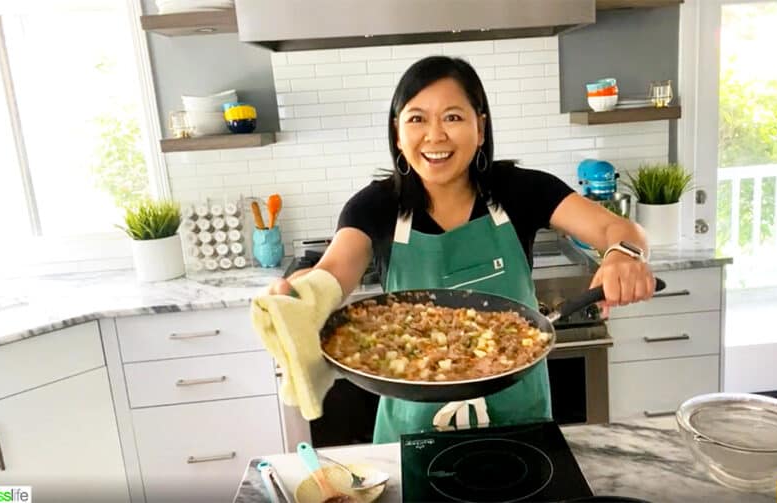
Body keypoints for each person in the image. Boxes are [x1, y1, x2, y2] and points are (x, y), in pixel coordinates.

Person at [269, 55, 654, 443]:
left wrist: (624, 253)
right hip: (411, 432)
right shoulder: (374, 206)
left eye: (452, 117)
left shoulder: (522, 190)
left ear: (480, 127)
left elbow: (618, 228)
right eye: (417, 119)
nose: (435, 136)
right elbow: (332, 273)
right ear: (398, 133)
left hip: (520, 423)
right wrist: (302, 295)